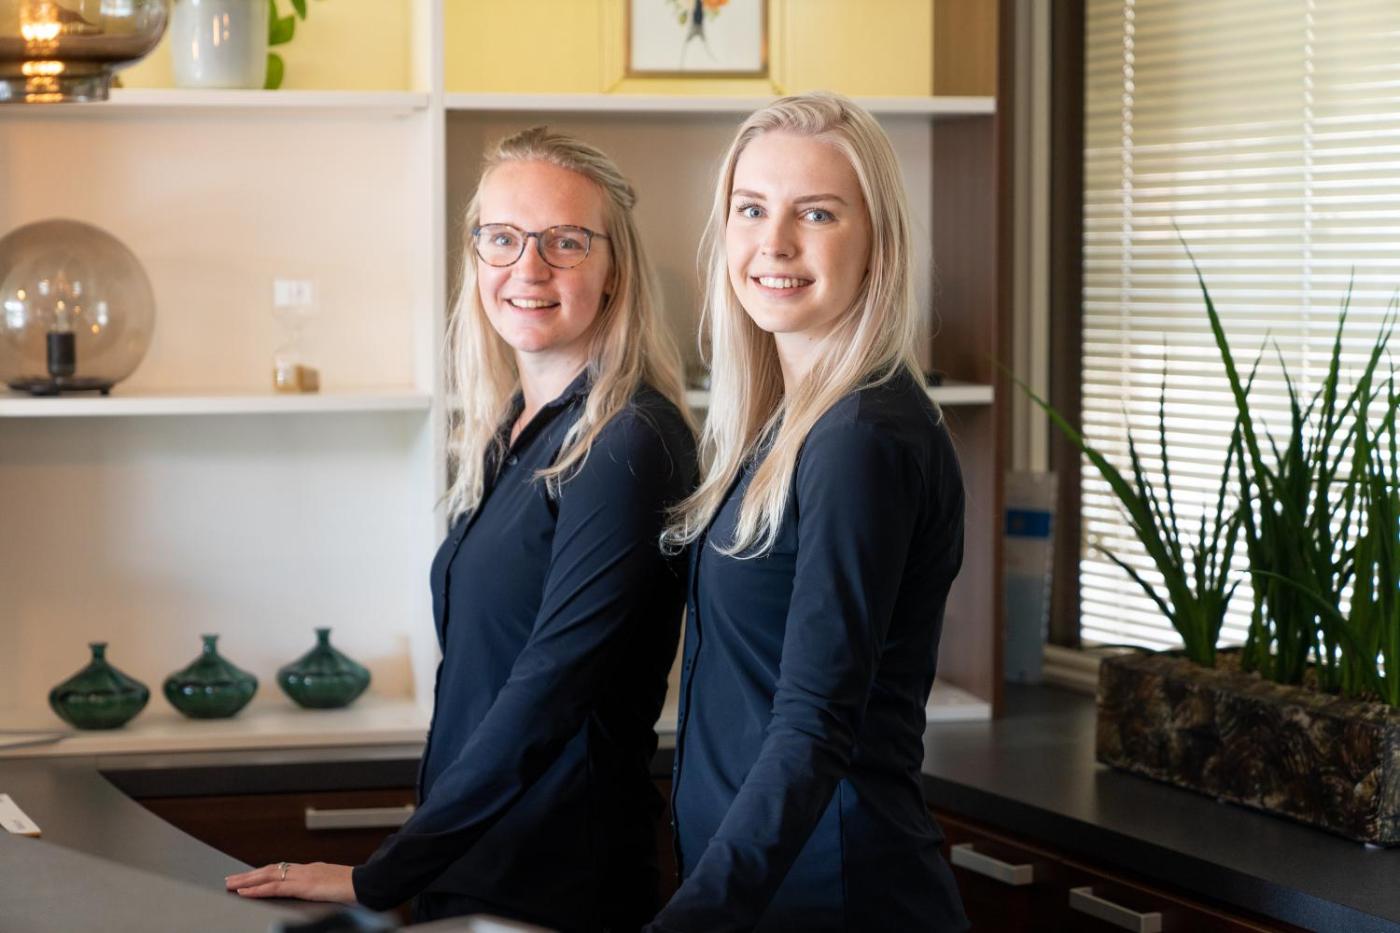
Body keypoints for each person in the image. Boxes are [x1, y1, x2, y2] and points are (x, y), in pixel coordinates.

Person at [226, 126, 698, 933]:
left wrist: (381, 873)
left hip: (557, 882)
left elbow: (549, 688)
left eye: (565, 242)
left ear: (615, 269)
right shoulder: (508, 429)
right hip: (469, 862)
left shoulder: (629, 442)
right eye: (502, 238)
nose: (528, 267)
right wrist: (419, 860)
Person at [651, 92, 969, 932]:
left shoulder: (861, 438)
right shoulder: (790, 425)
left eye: (817, 213)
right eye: (751, 208)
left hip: (836, 896)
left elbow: (812, 725)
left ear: (877, 243)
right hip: (773, 892)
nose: (775, 243)